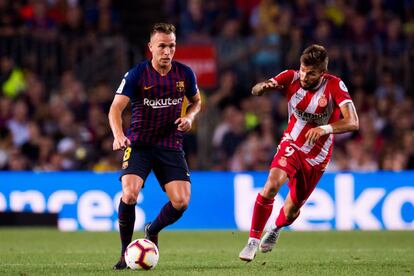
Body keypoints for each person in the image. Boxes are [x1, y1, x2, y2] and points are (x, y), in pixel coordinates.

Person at [239, 44, 359, 261]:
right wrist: (262, 87)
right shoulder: (291, 77)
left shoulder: (334, 85)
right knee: (272, 184)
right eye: (303, 70)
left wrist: (324, 128)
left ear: (322, 73)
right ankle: (252, 242)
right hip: (292, 142)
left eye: (311, 73)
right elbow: (270, 83)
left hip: (317, 155)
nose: (305, 76)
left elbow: (353, 122)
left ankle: (275, 228)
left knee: (293, 209)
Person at [109, 22, 201, 270]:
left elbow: (196, 102)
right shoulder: (136, 74)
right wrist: (118, 135)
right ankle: (125, 253)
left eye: (171, 46)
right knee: (129, 194)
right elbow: (115, 109)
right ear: (151, 47)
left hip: (171, 144)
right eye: (162, 46)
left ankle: (152, 228)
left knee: (181, 202)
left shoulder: (185, 74)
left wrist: (190, 117)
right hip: (139, 143)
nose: (167, 51)